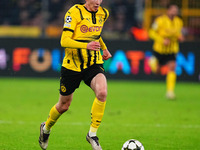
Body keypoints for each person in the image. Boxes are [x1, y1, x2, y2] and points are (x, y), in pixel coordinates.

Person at [39, 0, 112, 150]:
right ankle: (46, 128)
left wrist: (104, 48)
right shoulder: (74, 12)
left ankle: (92, 134)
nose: (98, 1)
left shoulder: (103, 13)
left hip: (93, 63)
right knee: (64, 105)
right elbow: (64, 40)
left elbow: (95, 34)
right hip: (72, 66)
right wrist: (86, 45)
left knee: (102, 92)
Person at [149, 4, 184, 99]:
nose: (174, 12)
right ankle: (152, 62)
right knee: (157, 71)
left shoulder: (179, 22)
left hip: (172, 50)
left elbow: (177, 33)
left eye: (176, 10)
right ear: (168, 10)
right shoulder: (160, 21)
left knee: (172, 67)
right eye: (173, 10)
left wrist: (179, 36)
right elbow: (151, 32)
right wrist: (162, 40)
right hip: (159, 49)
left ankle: (170, 92)